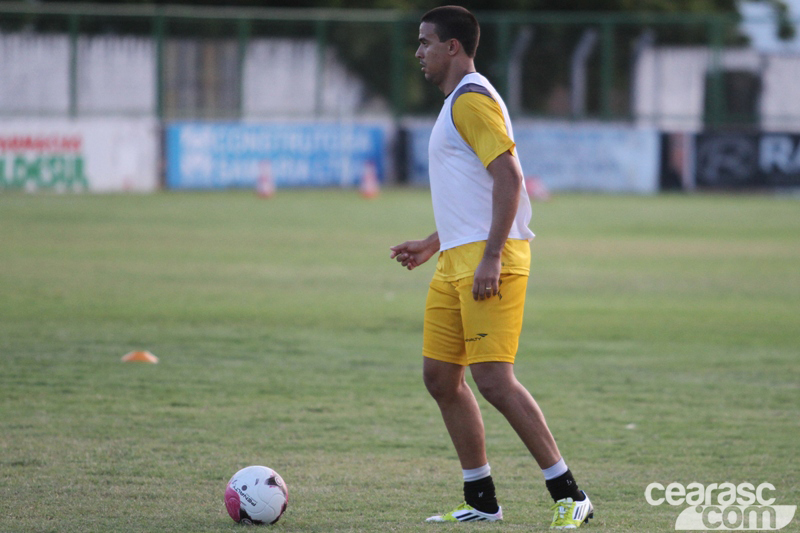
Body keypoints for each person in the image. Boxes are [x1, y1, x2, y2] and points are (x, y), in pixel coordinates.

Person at [390, 6, 593, 529]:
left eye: (425, 42)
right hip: (459, 257)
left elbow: (509, 177)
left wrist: (492, 256)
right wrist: (436, 242)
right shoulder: (457, 103)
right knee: (440, 377)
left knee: (495, 381)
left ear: (452, 47)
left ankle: (570, 495)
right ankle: (481, 500)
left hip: (488, 260)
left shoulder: (472, 100)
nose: (419, 52)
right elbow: (475, 189)